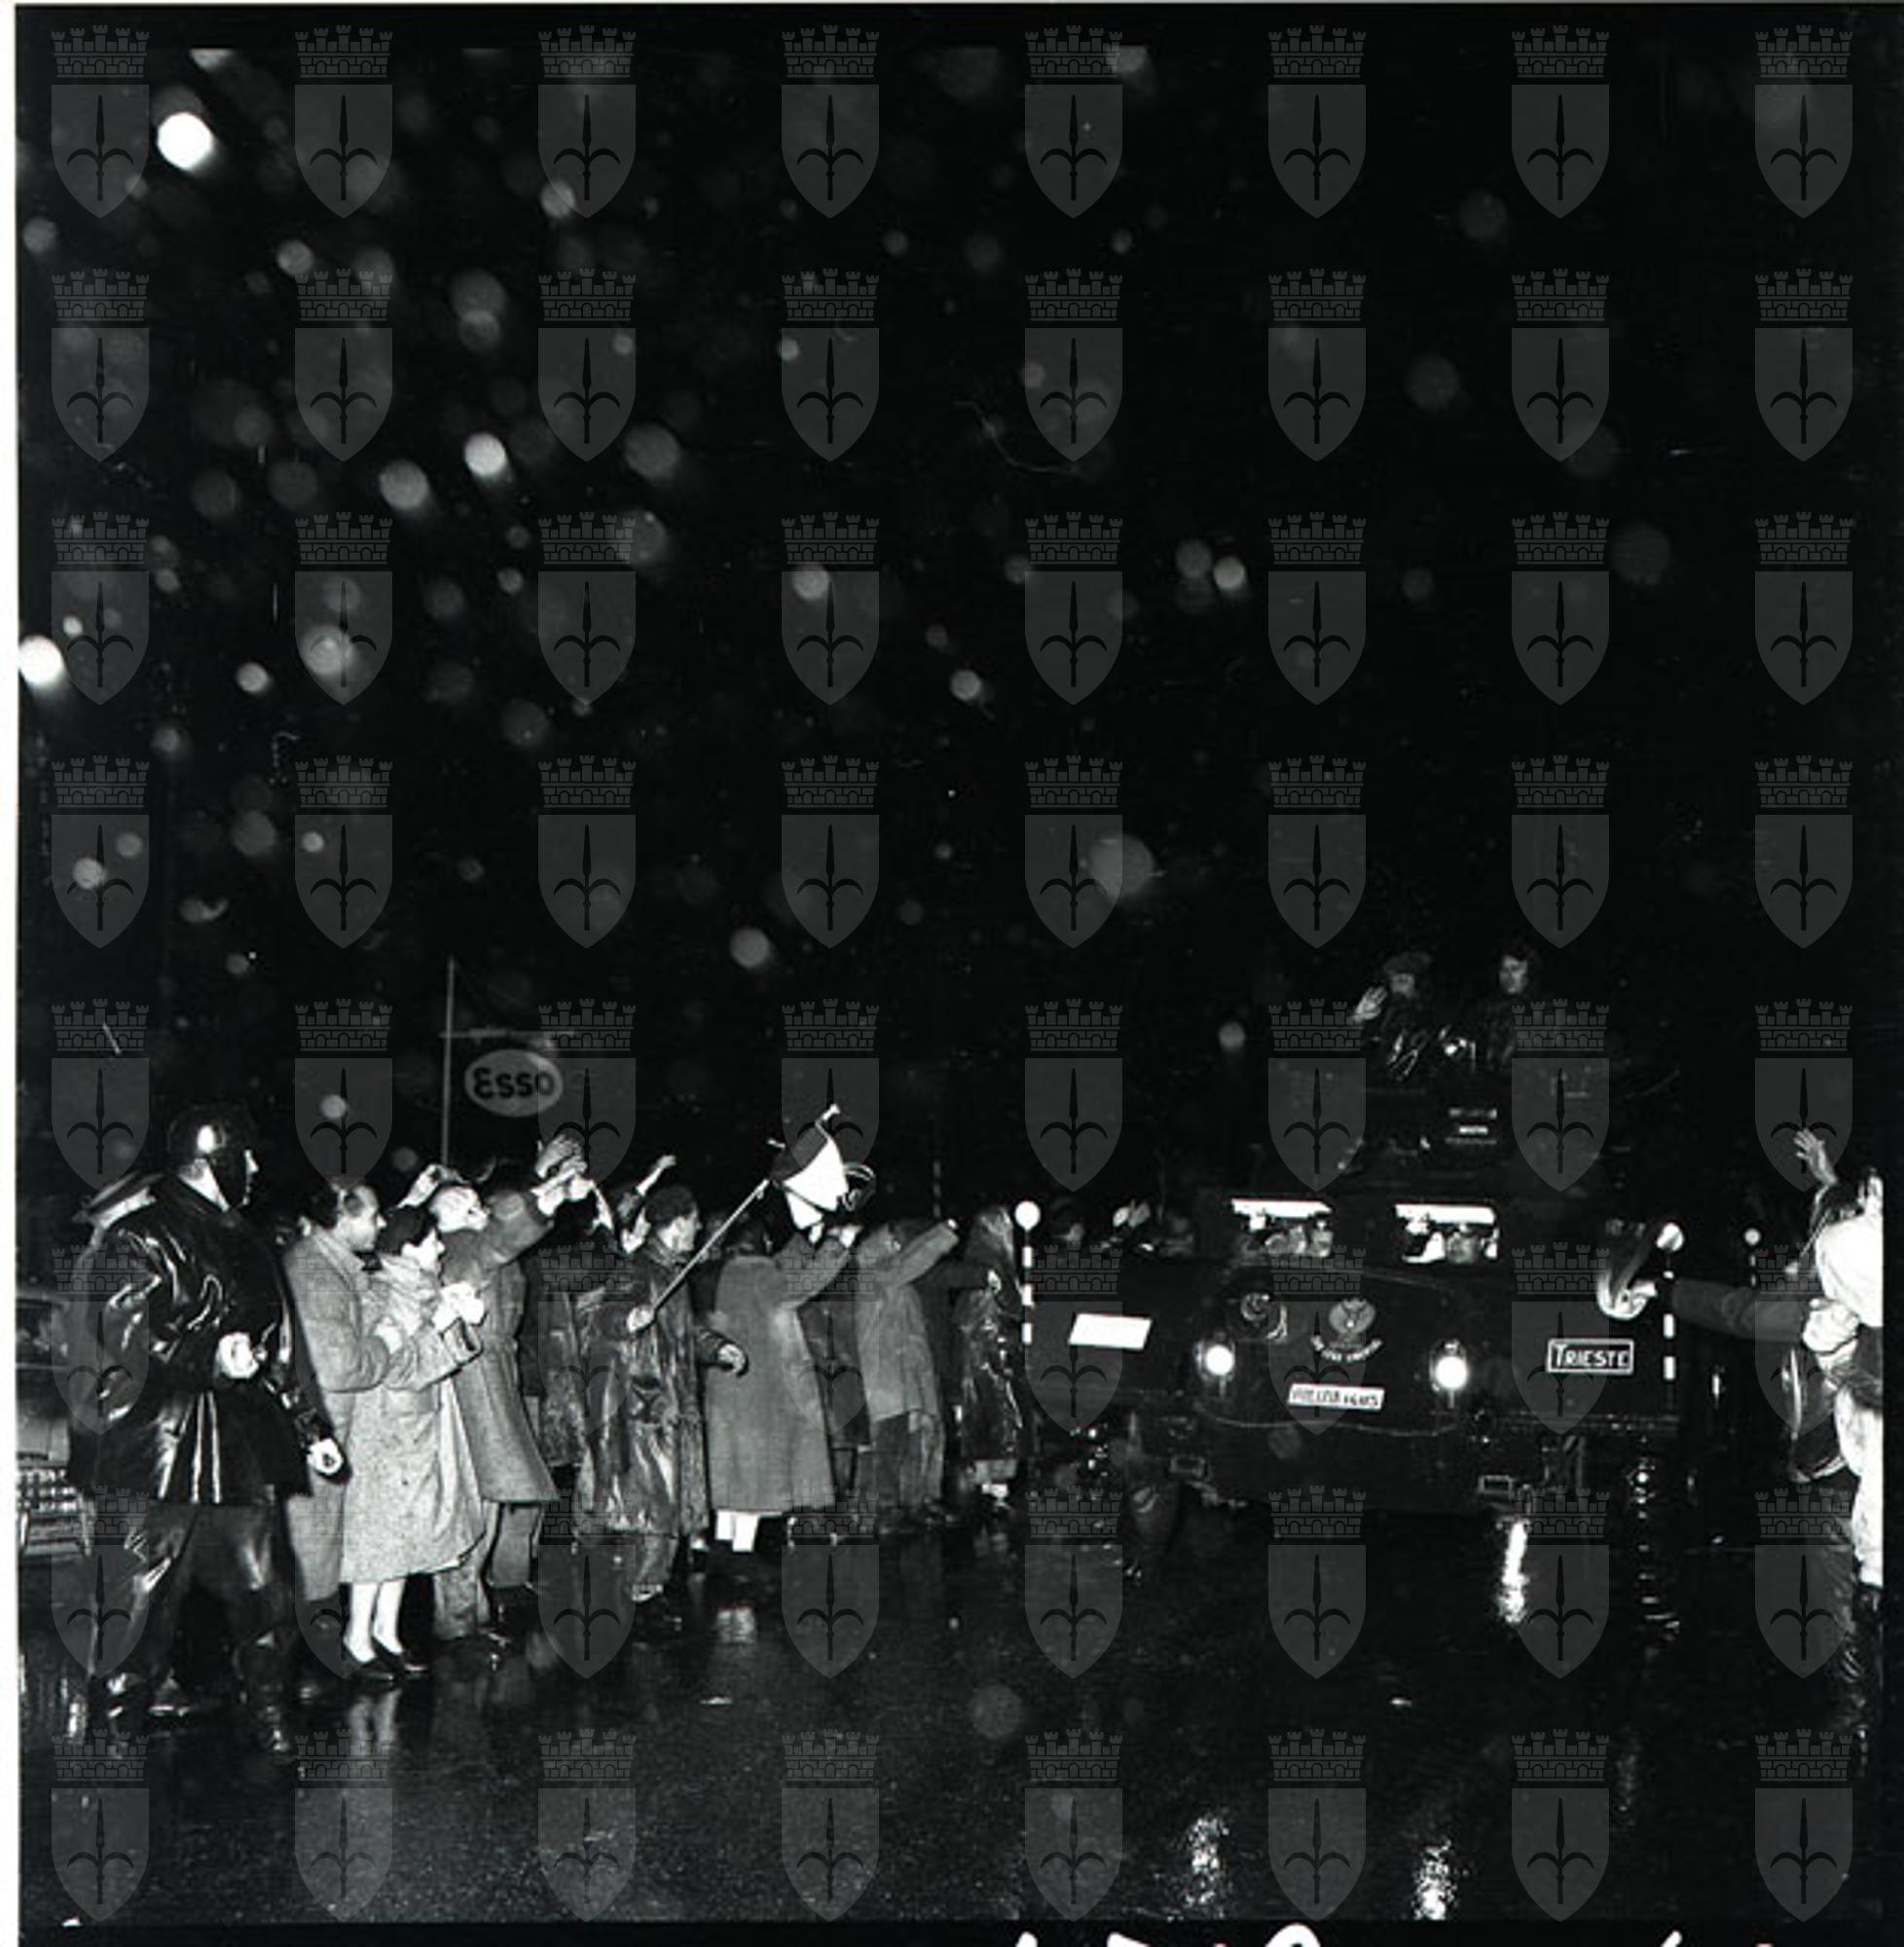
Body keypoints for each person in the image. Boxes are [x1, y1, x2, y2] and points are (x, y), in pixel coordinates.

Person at [64, 1105, 345, 1757]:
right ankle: (113, 1737)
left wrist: (310, 1427)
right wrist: (205, 1355)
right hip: (155, 1447)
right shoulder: (138, 1236)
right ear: (211, 1160)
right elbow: (120, 1337)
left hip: (237, 1443)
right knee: (138, 1601)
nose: (255, 1167)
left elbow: (279, 1350)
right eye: (244, 1156)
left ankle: (270, 1714)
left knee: (264, 1590)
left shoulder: (248, 1242)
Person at [423, 1141, 593, 1654]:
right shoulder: (463, 1247)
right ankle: (457, 1624)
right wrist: (550, 1191)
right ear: (448, 1217)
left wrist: (553, 1191)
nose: (483, 1211)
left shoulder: (472, 1245)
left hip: (491, 1373)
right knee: (473, 1505)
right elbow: (505, 1233)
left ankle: (470, 1616)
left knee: (490, 1502)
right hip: (473, 1379)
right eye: (471, 1206)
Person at [573, 1183, 747, 1636]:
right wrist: (627, 1321)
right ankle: (642, 1593)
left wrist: (718, 1347)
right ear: (678, 1223)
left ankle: (647, 1587)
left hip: (669, 1403)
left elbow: (684, 1331)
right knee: (655, 1505)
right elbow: (606, 1316)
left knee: (663, 1503)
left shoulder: (672, 1273)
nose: (699, 1229)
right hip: (647, 1406)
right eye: (694, 1222)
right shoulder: (637, 1268)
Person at [337, 1204, 488, 1681]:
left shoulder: (418, 1288)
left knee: (404, 1537)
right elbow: (396, 1366)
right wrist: (440, 1323)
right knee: (377, 1540)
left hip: (414, 1430)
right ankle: (357, 1639)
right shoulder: (384, 1292)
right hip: (386, 1433)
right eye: (432, 1241)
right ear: (408, 1248)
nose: (441, 1248)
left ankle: (387, 1632)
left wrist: (455, 1320)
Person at [704, 1121, 864, 1553]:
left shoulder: (725, 1273)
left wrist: (817, 1244)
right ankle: (738, 1557)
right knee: (754, 1482)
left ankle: (724, 1552)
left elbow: (783, 1280)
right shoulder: (752, 1272)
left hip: (732, 1387)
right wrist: (837, 1246)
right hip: (757, 1390)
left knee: (732, 1483)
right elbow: (798, 1288)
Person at [278, 1182, 385, 1689]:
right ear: (343, 1218)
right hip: (319, 1429)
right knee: (313, 1544)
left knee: (317, 1543)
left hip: (327, 1426)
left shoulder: (330, 1263)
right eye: (372, 1216)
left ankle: (312, 1656)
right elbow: (341, 1366)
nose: (380, 1224)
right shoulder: (316, 1274)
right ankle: (312, 1661)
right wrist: (386, 1344)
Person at [852, 1217, 960, 1534]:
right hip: (884, 1380)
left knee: (910, 1444)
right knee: (886, 1448)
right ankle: (881, 1510)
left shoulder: (896, 1280)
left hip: (902, 1378)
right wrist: (944, 1233)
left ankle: (910, 1504)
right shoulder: (875, 1275)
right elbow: (911, 1262)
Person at [951, 1205, 1032, 1519]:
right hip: (994, 1357)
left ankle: (990, 1488)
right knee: (1001, 1423)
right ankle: (994, 1490)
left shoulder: (978, 1265)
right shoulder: (993, 1268)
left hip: (985, 1358)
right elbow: (1010, 1308)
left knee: (989, 1424)